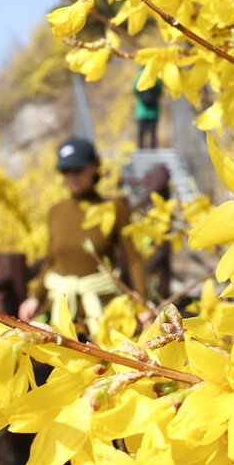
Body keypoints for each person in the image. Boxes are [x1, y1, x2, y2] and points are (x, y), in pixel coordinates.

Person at [18, 137, 144, 337]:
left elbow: (134, 259)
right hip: (60, 307)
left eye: (77, 170)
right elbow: (52, 260)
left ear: (94, 167)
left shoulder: (115, 210)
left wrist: (143, 304)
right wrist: (36, 298)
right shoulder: (56, 212)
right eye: (65, 171)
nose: (71, 176)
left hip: (102, 308)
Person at [133, 69, 163, 150]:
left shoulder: (138, 78)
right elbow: (160, 91)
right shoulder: (156, 79)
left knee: (141, 133)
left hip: (141, 111)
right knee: (153, 132)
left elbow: (134, 90)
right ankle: (153, 149)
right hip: (153, 110)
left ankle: (140, 149)